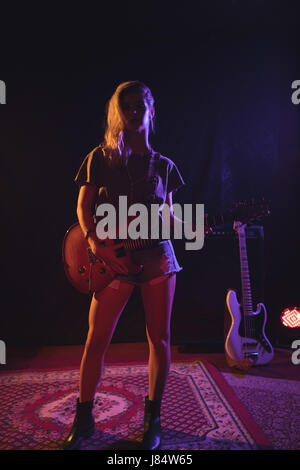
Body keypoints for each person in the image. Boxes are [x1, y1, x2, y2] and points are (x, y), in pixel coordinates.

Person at [62, 81, 186, 450]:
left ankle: (154, 420)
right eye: (126, 106)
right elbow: (83, 209)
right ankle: (83, 420)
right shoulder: (99, 158)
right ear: (118, 111)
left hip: (157, 258)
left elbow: (170, 219)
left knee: (159, 340)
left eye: (139, 106)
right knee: (96, 339)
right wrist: (96, 245)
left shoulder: (164, 166)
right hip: (113, 258)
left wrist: (202, 226)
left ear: (150, 111)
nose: (133, 112)